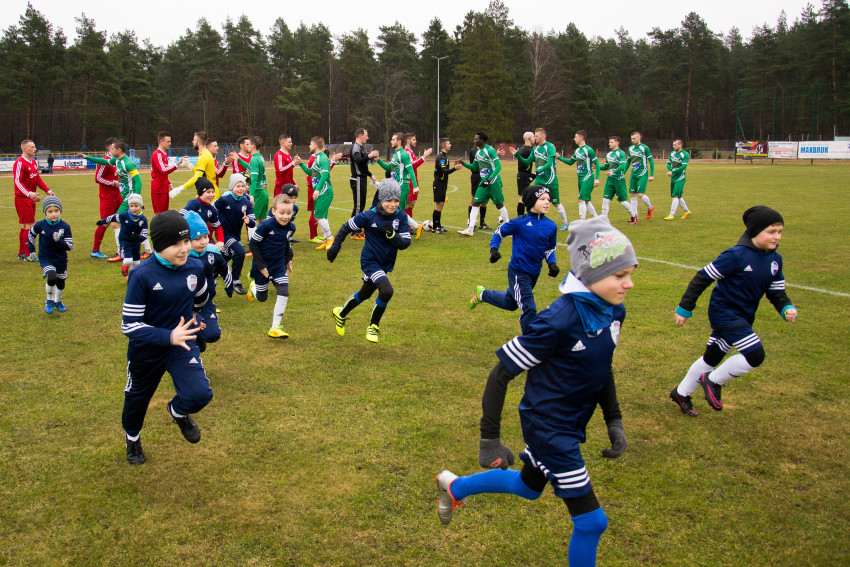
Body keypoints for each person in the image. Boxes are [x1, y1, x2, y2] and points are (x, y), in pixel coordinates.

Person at [436, 216, 638, 567]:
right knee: (592, 522)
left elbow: (601, 366)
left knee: (527, 488)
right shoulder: (556, 322)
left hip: (569, 423)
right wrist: (490, 440)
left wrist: (614, 419)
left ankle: (453, 486)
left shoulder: (612, 311)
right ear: (590, 275)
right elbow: (501, 373)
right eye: (620, 276)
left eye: (630, 273)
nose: (629, 284)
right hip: (549, 428)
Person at [669, 206, 797, 417]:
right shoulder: (736, 255)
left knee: (711, 358)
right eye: (772, 231)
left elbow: (777, 292)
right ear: (755, 231)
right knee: (755, 355)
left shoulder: (775, 260)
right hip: (724, 313)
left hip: (744, 316)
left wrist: (786, 307)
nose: (777, 237)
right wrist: (685, 308)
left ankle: (681, 393)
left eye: (780, 232)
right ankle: (712, 380)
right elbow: (703, 277)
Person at [120, 209, 212, 465]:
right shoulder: (142, 275)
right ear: (159, 246)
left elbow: (201, 298)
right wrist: (167, 335)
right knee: (136, 400)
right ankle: (133, 438)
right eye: (175, 244)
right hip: (146, 349)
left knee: (199, 394)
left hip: (181, 345)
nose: (184, 249)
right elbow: (129, 326)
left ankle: (178, 412)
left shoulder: (195, 266)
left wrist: (198, 321)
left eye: (186, 241)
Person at [327, 179, 411, 344]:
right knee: (386, 291)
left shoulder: (401, 217)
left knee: (365, 294)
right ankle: (373, 326)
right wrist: (335, 248)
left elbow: (405, 243)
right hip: (370, 261)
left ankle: (341, 313)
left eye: (396, 200)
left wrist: (393, 235)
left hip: (385, 263)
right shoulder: (368, 215)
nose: (393, 204)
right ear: (381, 200)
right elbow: (346, 227)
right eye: (389, 200)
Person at [469, 185, 559, 334]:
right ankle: (529, 344)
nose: (547, 202)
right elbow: (499, 232)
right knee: (529, 308)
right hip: (518, 272)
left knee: (511, 303)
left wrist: (552, 263)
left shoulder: (551, 226)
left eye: (548, 199)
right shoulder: (519, 223)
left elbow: (550, 249)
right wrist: (494, 249)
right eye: (542, 199)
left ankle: (482, 294)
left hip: (534, 273)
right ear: (531, 201)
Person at [78, 140, 153, 258]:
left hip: (129, 198)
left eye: (113, 149)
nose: (111, 151)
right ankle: (147, 250)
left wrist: (135, 199)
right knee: (135, 223)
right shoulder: (116, 160)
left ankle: (121, 253)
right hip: (125, 197)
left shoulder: (128, 163)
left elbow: (138, 181)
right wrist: (86, 156)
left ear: (119, 150)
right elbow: (102, 161)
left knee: (116, 223)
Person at [247, 194, 296, 338]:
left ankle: (275, 327)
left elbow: (286, 244)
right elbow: (253, 244)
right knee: (262, 298)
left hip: (279, 266)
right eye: (281, 213)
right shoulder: (265, 226)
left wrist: (288, 260)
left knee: (284, 292)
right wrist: (261, 267)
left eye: (289, 213)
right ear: (273, 211)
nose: (285, 216)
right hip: (262, 267)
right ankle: (254, 288)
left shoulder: (291, 228)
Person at [184, 210, 231, 352]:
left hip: (207, 301)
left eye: (205, 237)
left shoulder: (211, 251)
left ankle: (199, 335)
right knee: (189, 338)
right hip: (187, 304)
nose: (203, 242)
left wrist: (229, 285)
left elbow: (224, 266)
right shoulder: (182, 256)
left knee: (213, 335)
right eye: (197, 239)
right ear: (187, 241)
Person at [508, 128, 570, 229]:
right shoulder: (535, 149)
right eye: (535, 136)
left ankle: (565, 222)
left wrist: (537, 171)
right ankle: (533, 221)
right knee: (534, 200)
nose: (535, 138)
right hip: (539, 180)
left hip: (550, 180)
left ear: (543, 136)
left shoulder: (550, 147)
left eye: (536, 136)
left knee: (556, 202)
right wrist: (517, 155)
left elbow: (549, 164)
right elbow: (527, 162)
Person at [457, 131, 509, 236]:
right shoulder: (478, 152)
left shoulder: (490, 150)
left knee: (499, 204)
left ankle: (507, 224)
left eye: (477, 139)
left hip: (493, 182)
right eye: (474, 139)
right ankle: (470, 229)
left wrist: (489, 179)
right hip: (483, 182)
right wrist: (463, 163)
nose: (474, 140)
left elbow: (498, 167)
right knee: (476, 203)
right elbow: (474, 167)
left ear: (483, 140)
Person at [28, 195, 73, 313]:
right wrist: (32, 250)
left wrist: (60, 241)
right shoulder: (40, 225)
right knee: (51, 276)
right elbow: (31, 234)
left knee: (60, 281)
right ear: (45, 212)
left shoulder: (65, 226)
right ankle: (49, 300)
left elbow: (70, 246)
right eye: (50, 211)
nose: (54, 214)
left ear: (60, 211)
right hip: (45, 257)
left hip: (60, 258)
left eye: (56, 211)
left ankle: (58, 301)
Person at [214, 173, 256, 296]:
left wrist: (249, 221)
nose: (241, 188)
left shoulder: (246, 202)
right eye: (238, 186)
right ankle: (235, 281)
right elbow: (211, 211)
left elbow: (252, 222)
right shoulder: (224, 199)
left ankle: (210, 275)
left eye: (243, 186)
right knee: (239, 251)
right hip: (223, 234)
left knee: (224, 258)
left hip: (234, 235)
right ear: (232, 187)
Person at [14, 139, 56, 260]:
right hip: (22, 199)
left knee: (25, 226)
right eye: (32, 147)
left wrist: (47, 190)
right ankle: (28, 254)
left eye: (34, 147)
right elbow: (17, 181)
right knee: (29, 225)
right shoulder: (19, 162)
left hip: (30, 198)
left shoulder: (33, 162)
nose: (35, 149)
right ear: (24, 149)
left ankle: (22, 252)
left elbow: (37, 178)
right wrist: (28, 194)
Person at [376, 132, 423, 239]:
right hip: (396, 186)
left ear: (399, 141)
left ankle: (398, 234)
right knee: (397, 210)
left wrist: (415, 186)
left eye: (393, 139)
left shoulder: (403, 154)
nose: (391, 141)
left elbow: (411, 170)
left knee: (397, 211)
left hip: (403, 186)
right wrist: (377, 159)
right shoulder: (396, 154)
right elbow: (389, 169)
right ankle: (416, 226)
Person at [295, 136, 335, 249]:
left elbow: (324, 176)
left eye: (310, 144)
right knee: (321, 216)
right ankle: (326, 240)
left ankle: (330, 237)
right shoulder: (316, 158)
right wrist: (300, 163)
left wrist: (317, 190)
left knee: (317, 216)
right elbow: (311, 172)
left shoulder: (322, 158)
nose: (309, 146)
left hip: (325, 192)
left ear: (316, 146)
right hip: (321, 192)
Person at [97, 193, 149, 278]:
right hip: (125, 242)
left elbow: (145, 234)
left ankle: (131, 278)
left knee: (136, 263)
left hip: (136, 243)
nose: (133, 208)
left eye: (136, 206)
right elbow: (113, 218)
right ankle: (124, 266)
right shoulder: (124, 216)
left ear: (140, 206)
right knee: (128, 261)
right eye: (131, 206)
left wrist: (138, 237)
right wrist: (102, 221)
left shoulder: (143, 219)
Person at [557, 130, 600, 224]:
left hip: (588, 177)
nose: (574, 139)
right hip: (580, 178)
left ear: (581, 138)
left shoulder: (588, 150)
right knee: (586, 201)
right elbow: (570, 162)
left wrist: (597, 178)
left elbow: (597, 163)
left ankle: (582, 221)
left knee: (581, 199)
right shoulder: (577, 151)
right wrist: (559, 157)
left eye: (576, 137)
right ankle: (597, 219)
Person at [90, 138, 122, 260]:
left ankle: (122, 249)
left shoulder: (117, 161)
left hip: (118, 196)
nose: (117, 149)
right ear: (109, 148)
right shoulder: (104, 161)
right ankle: (95, 250)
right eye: (114, 147)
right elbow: (98, 178)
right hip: (107, 197)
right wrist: (113, 183)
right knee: (105, 223)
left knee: (121, 221)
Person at [169, 131, 221, 201]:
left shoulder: (204, 156)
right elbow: (202, 173)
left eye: (194, 140)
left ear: (198, 142)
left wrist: (179, 189)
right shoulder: (204, 154)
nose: (192, 142)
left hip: (209, 192)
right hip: (206, 190)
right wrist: (189, 165)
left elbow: (197, 177)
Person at [349, 128, 380, 240]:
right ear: (360, 136)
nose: (367, 137)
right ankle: (354, 231)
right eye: (366, 135)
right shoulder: (356, 148)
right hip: (357, 179)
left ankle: (357, 229)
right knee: (358, 207)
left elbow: (363, 166)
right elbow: (358, 162)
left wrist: (371, 175)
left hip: (362, 179)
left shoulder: (361, 148)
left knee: (361, 205)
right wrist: (369, 156)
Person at [598, 136, 637, 224]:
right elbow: (606, 167)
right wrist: (597, 167)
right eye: (609, 142)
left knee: (622, 201)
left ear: (617, 143)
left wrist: (613, 172)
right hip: (610, 181)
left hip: (619, 180)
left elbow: (623, 166)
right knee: (605, 200)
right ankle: (604, 221)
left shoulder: (621, 153)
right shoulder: (608, 154)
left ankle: (633, 215)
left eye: (611, 142)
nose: (609, 144)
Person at [179, 177, 225, 248]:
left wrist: (221, 241)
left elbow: (217, 226)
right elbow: (180, 217)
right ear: (201, 193)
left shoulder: (211, 209)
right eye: (208, 192)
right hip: (190, 238)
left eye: (213, 192)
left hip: (202, 239)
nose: (212, 195)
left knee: (218, 252)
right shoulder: (194, 203)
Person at [232, 136, 268, 225]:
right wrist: (239, 159)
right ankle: (266, 238)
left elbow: (254, 179)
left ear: (253, 146)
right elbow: (251, 168)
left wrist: (251, 195)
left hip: (258, 192)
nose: (248, 147)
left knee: (252, 219)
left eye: (249, 144)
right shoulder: (259, 157)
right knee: (262, 219)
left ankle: (253, 239)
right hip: (263, 191)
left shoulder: (254, 159)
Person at [432, 138, 460, 234]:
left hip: (443, 183)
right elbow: (444, 171)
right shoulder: (441, 157)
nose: (450, 145)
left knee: (441, 204)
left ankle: (438, 226)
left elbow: (444, 168)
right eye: (449, 144)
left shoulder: (444, 156)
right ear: (444, 146)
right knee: (438, 205)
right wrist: (455, 168)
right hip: (439, 183)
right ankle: (435, 227)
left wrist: (453, 164)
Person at [150, 131, 182, 214]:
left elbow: (164, 172)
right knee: (159, 215)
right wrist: (177, 164)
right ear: (161, 142)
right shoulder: (157, 154)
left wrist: (169, 184)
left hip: (164, 189)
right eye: (168, 141)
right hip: (158, 190)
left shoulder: (164, 154)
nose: (170, 143)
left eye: (170, 141)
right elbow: (163, 170)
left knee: (165, 213)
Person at [403, 132, 432, 219]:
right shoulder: (406, 152)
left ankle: (408, 226)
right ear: (408, 141)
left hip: (413, 181)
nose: (416, 141)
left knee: (411, 204)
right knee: (406, 205)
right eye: (414, 139)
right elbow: (411, 166)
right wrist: (424, 157)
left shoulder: (410, 152)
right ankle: (403, 226)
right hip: (409, 182)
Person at [626, 131, 654, 219]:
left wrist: (651, 174)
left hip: (643, 173)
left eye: (634, 138)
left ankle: (650, 207)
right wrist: (623, 173)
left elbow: (651, 161)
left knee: (640, 194)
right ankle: (635, 216)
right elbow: (628, 162)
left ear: (639, 138)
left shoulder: (644, 148)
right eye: (631, 139)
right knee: (632, 195)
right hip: (633, 174)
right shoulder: (630, 148)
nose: (632, 140)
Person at [664, 139, 691, 220]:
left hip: (680, 178)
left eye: (675, 145)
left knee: (675, 196)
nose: (673, 146)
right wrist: (671, 170)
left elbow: (683, 167)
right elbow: (668, 164)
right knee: (677, 196)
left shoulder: (685, 154)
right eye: (673, 145)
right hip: (673, 177)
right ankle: (687, 211)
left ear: (680, 145)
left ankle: (671, 215)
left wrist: (673, 171)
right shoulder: (672, 154)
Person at [466, 141, 489, 231]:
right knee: (474, 199)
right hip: (476, 176)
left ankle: (482, 223)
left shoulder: (483, 150)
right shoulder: (474, 150)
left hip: (484, 176)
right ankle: (471, 222)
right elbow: (480, 162)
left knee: (484, 200)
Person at [513, 132, 535, 216]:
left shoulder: (523, 148)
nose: (534, 138)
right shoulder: (528, 150)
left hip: (523, 175)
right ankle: (520, 217)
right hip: (523, 175)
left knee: (525, 197)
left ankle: (523, 216)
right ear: (529, 138)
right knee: (522, 197)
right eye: (533, 137)